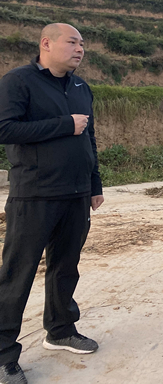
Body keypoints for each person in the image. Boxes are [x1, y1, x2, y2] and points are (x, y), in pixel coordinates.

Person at [0, 23, 104, 384]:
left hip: (76, 194)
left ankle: (60, 330)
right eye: (72, 42)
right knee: (18, 273)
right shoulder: (19, 81)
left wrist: (94, 184)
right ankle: (4, 355)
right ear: (46, 43)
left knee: (65, 267)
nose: (80, 49)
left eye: (82, 43)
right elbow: (5, 129)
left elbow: (89, 138)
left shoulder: (80, 87)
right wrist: (63, 124)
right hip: (34, 193)